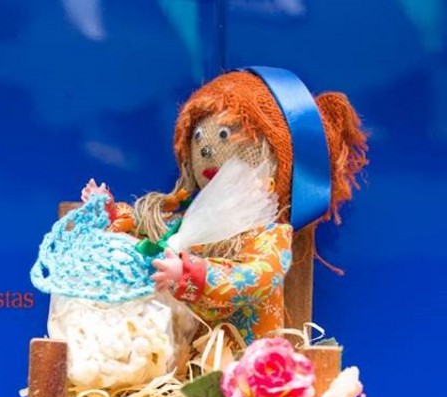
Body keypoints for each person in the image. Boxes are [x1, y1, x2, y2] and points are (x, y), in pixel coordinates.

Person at [140, 70, 369, 343]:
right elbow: (151, 235)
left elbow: (256, 277)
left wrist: (193, 275)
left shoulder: (269, 235)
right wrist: (111, 212)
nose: (207, 151)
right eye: (198, 138)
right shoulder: (190, 224)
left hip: (250, 358)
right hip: (193, 357)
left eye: (224, 135)